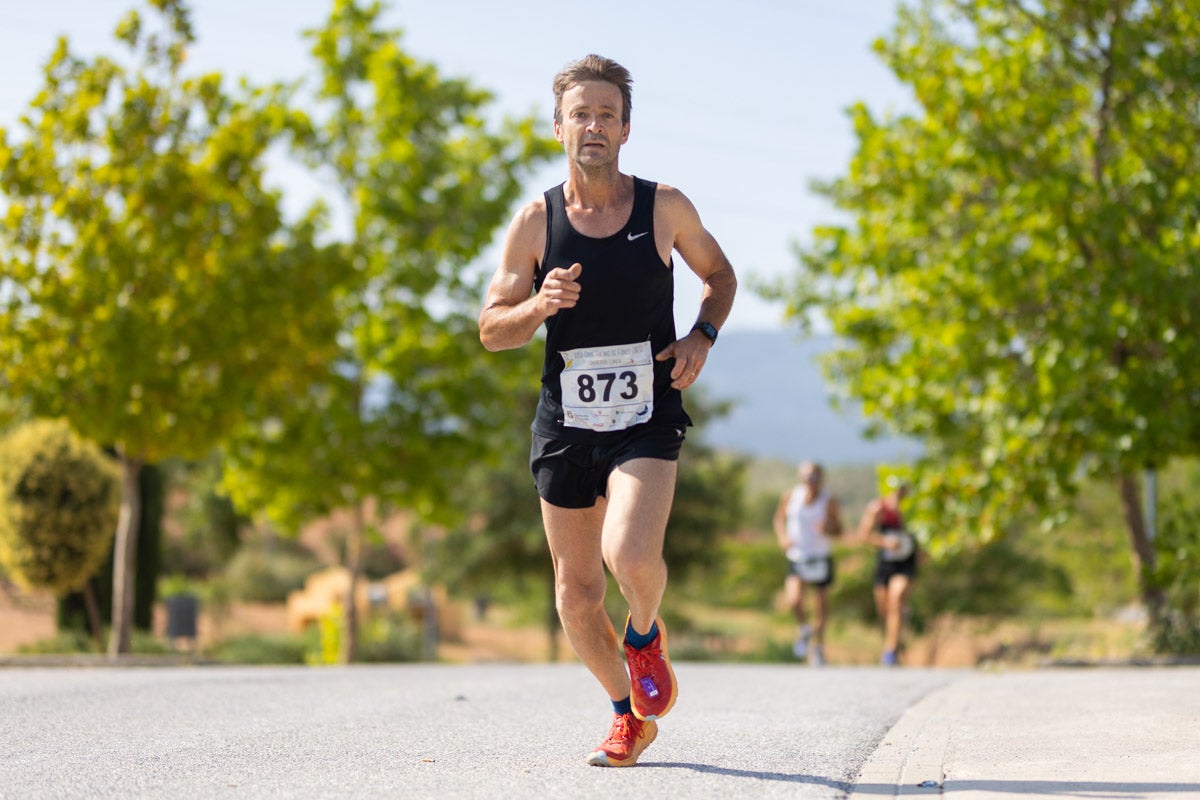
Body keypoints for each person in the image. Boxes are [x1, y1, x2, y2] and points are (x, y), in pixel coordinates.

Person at [478, 54, 737, 768]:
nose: (592, 126)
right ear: (557, 125)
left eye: (606, 114)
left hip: (647, 413)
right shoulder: (536, 222)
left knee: (629, 554)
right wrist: (538, 304)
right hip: (565, 423)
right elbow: (491, 328)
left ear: (626, 128)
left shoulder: (665, 206)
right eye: (580, 113)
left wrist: (702, 335)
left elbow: (719, 276)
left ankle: (646, 632)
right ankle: (627, 715)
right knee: (576, 590)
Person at [773, 461, 843, 666]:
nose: (809, 482)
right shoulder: (790, 496)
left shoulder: (828, 501)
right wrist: (783, 537)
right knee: (794, 600)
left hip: (820, 557)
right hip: (797, 556)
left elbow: (839, 529)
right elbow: (779, 518)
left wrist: (828, 528)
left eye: (813, 478)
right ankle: (804, 629)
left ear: (821, 479)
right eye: (805, 478)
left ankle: (818, 648)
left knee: (820, 606)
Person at [857, 477, 917, 666]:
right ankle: (896, 635)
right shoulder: (878, 508)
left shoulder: (913, 510)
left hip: (906, 562)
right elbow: (864, 535)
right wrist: (885, 542)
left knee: (896, 599)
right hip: (885, 563)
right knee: (885, 609)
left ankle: (890, 651)